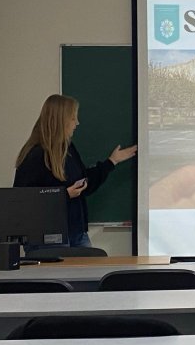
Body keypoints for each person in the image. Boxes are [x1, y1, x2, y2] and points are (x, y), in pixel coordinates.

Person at [13, 94, 137, 247]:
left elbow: (84, 184)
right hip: (48, 238)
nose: (77, 123)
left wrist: (112, 162)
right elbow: (23, 201)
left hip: (77, 233)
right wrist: (65, 195)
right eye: (73, 118)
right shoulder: (35, 156)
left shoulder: (68, 149)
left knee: (93, 262)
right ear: (61, 120)